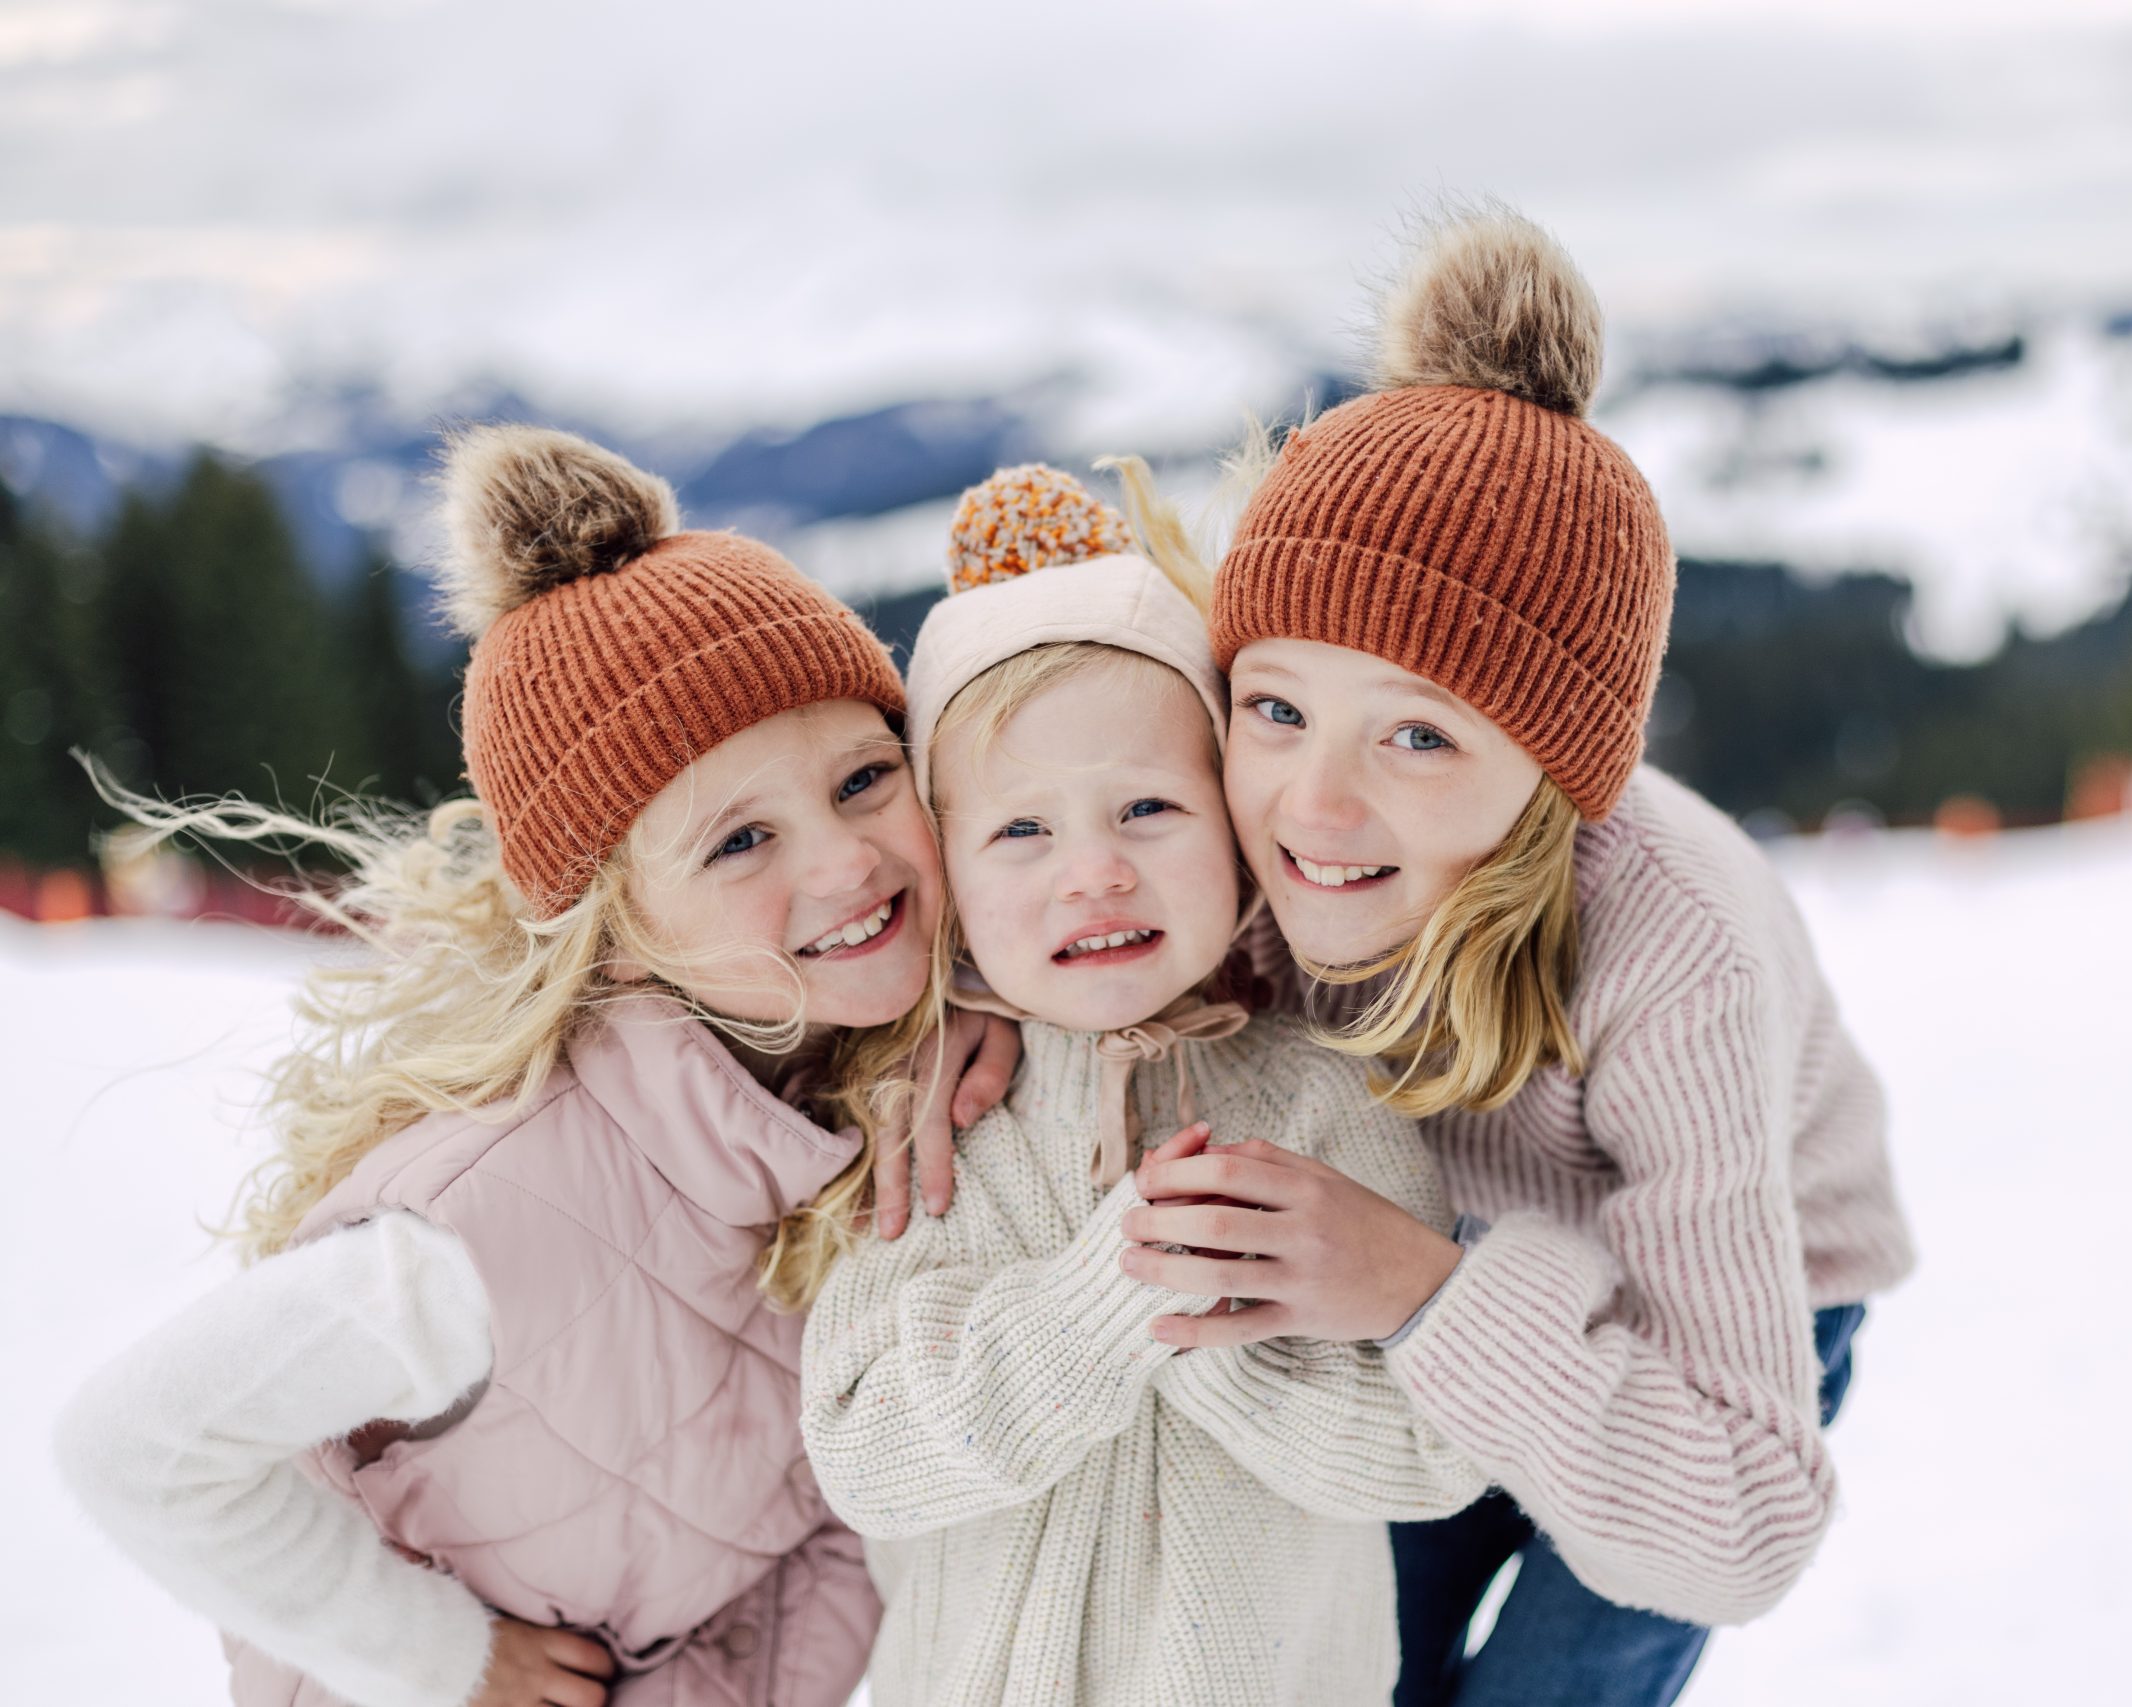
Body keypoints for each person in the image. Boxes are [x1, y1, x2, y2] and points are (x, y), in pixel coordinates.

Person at [1113, 204, 1920, 1706]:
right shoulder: (1242, 841)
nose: (1318, 803)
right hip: (1433, 1269)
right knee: (1351, 1664)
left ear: (1555, 771)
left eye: (1420, 732)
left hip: (1721, 1314)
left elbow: (1740, 1520)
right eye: (1278, 706)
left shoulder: (1671, 953)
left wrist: (1426, 1291)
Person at [54, 426, 936, 1707]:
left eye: (865, 777)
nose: (848, 861)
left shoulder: (839, 1108)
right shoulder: (481, 1225)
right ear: (612, 922)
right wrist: (439, 1660)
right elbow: (137, 1444)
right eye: (740, 840)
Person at [799, 464, 1484, 1707]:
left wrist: (1209, 1326)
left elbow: (1429, 1453)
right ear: (944, 871)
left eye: (1149, 808)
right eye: (1022, 831)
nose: (1095, 873)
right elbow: (865, 1454)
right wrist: (1106, 1298)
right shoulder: (933, 1132)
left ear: (1233, 827)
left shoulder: (1325, 1107)